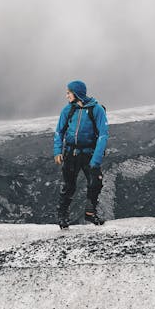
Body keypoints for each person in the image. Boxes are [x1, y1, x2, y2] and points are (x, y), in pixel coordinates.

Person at [52, 80, 109, 229]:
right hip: (71, 153)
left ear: (77, 94)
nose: (66, 96)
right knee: (68, 186)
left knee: (95, 183)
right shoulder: (68, 110)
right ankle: (62, 216)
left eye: (68, 93)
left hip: (89, 153)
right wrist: (57, 150)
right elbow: (59, 131)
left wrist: (96, 159)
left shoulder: (96, 110)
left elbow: (103, 135)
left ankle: (90, 213)